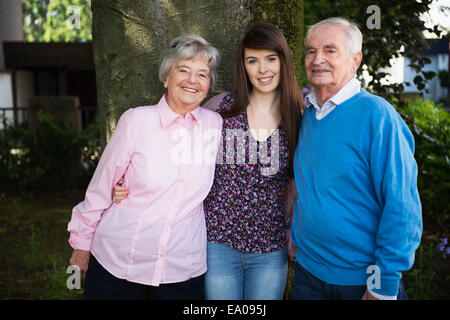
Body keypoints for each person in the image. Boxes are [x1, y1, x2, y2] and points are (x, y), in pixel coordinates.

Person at [113, 22, 302, 300]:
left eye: (271, 59)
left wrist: (293, 229)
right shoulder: (222, 108)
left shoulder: (299, 114)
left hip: (269, 248)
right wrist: (129, 181)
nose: (263, 69)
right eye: (253, 60)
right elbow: (174, 131)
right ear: (243, 65)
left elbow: (306, 176)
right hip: (216, 244)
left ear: (283, 61)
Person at [67, 35, 222, 300]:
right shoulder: (136, 121)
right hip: (120, 261)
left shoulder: (215, 125)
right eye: (183, 70)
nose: (192, 81)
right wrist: (81, 245)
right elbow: (102, 186)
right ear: (166, 77)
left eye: (202, 74)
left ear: (209, 85)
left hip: (181, 267)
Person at [290, 17, 422, 300]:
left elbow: (402, 206)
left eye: (330, 50)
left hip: (361, 282)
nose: (317, 59)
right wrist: (295, 234)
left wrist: (383, 284)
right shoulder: (308, 115)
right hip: (307, 274)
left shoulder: (377, 116)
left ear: (355, 60)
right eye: (311, 51)